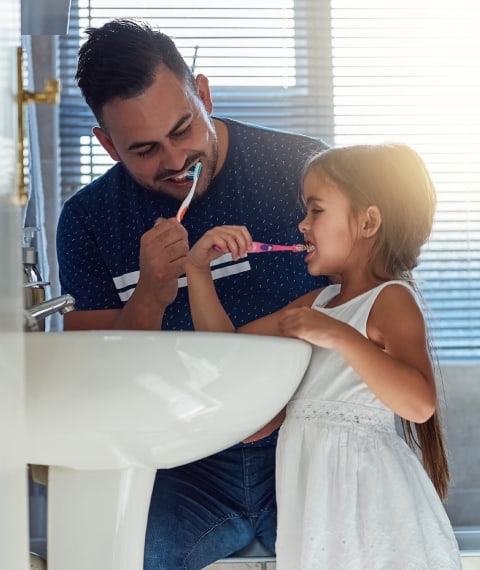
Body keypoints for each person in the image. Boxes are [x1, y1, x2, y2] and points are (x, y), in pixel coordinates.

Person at [56, 18, 330, 569]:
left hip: (311, 444)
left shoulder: (304, 170)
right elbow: (94, 371)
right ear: (108, 145)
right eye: (145, 150)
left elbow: (371, 292)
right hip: (185, 464)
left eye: (183, 129)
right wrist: (151, 295)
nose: (176, 161)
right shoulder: (87, 221)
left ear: (202, 94)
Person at [186, 143, 462, 569]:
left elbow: (419, 403)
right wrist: (198, 272)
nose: (302, 223)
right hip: (315, 510)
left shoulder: (390, 299)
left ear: (368, 221)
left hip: (369, 509)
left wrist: (340, 335)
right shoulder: (318, 304)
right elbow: (229, 354)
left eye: (316, 210)